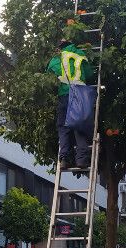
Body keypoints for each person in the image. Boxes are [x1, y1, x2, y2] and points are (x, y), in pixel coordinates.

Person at [47, 39, 94, 170]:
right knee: (80, 126)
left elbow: (48, 78)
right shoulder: (79, 54)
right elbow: (90, 74)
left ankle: (64, 160)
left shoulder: (56, 59)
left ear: (60, 47)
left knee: (64, 128)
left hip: (64, 95)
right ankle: (82, 160)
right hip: (80, 94)